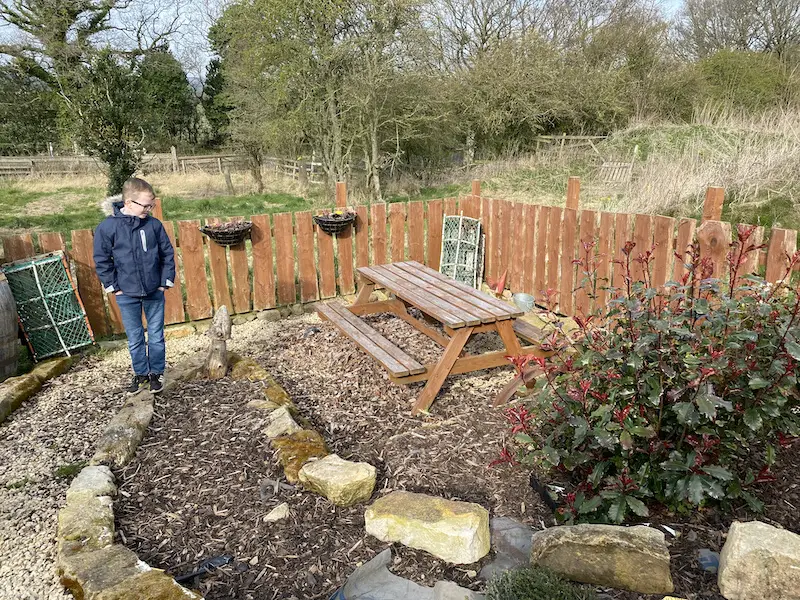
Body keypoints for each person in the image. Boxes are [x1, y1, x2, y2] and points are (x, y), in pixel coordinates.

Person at [93, 177, 175, 394]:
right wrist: (114, 287)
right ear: (128, 203)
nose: (149, 209)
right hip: (126, 294)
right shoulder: (108, 228)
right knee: (135, 336)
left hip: (153, 291)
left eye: (152, 205)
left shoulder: (154, 225)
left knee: (156, 335)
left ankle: (156, 373)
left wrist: (163, 283)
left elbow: (167, 254)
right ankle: (140, 374)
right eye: (145, 205)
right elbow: (102, 260)